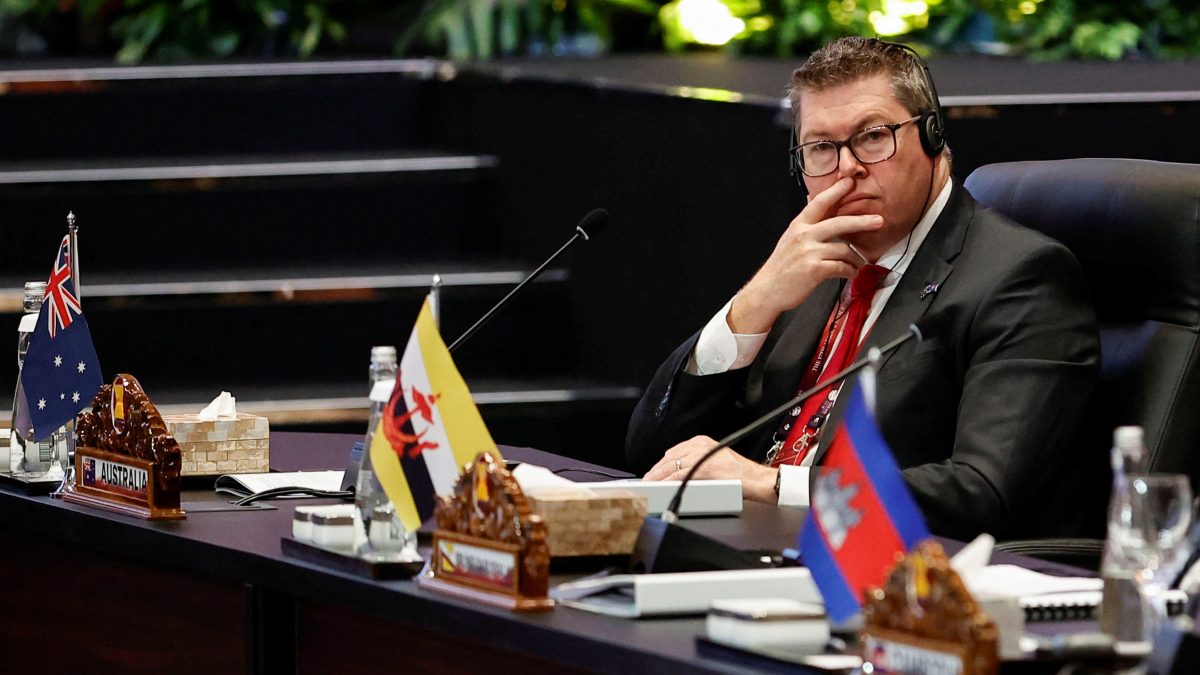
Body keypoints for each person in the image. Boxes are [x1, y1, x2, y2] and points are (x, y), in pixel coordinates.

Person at [625, 37, 1100, 540]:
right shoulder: (808, 267)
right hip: (752, 550)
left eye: (873, 136)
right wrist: (756, 300)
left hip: (902, 581)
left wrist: (773, 484)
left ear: (933, 136)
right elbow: (654, 448)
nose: (847, 167)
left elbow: (980, 491)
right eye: (822, 148)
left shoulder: (1022, 277)